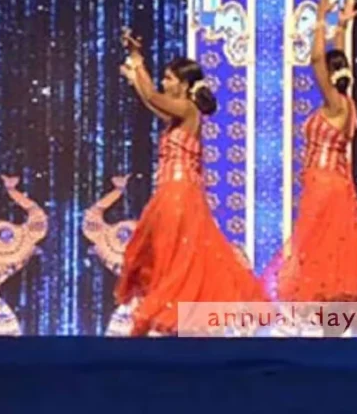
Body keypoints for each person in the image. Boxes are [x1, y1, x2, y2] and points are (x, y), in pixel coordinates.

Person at [113, 28, 268, 336]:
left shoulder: (187, 108)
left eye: (170, 78)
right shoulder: (178, 114)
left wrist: (137, 61)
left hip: (179, 194)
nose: (165, 82)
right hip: (172, 193)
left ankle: (177, 321)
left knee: (177, 257)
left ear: (184, 85)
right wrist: (136, 76)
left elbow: (152, 96)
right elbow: (152, 102)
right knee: (169, 256)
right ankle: (177, 323)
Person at [262, 0, 357, 312]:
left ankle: (328, 326)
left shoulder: (336, 105)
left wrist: (321, 20)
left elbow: (317, 60)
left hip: (325, 186)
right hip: (327, 185)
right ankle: (331, 328)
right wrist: (341, 27)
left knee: (319, 251)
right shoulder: (345, 104)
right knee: (328, 252)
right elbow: (333, 60)